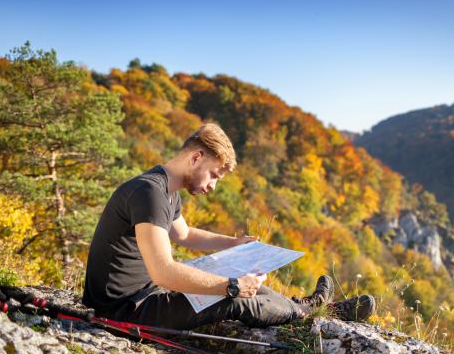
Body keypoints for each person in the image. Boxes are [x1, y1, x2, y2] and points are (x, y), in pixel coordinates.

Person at [82, 123, 375, 329]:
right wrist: (230, 286)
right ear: (195, 157)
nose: (212, 186)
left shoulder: (165, 190)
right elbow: (164, 271)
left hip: (144, 294)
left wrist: (233, 244)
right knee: (235, 299)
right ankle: (310, 314)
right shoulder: (149, 193)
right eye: (213, 175)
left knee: (238, 282)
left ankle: (307, 306)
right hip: (124, 310)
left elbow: (183, 234)